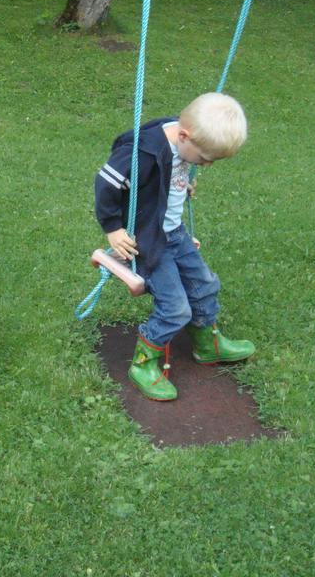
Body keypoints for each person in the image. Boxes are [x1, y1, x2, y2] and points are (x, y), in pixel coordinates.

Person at [94, 92, 255, 401]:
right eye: (206, 158)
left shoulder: (181, 138)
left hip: (175, 233)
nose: (207, 165)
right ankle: (143, 363)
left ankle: (207, 344)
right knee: (175, 308)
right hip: (149, 241)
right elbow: (106, 183)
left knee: (206, 285)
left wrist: (178, 184)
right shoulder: (141, 151)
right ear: (184, 135)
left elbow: (171, 168)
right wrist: (113, 228)